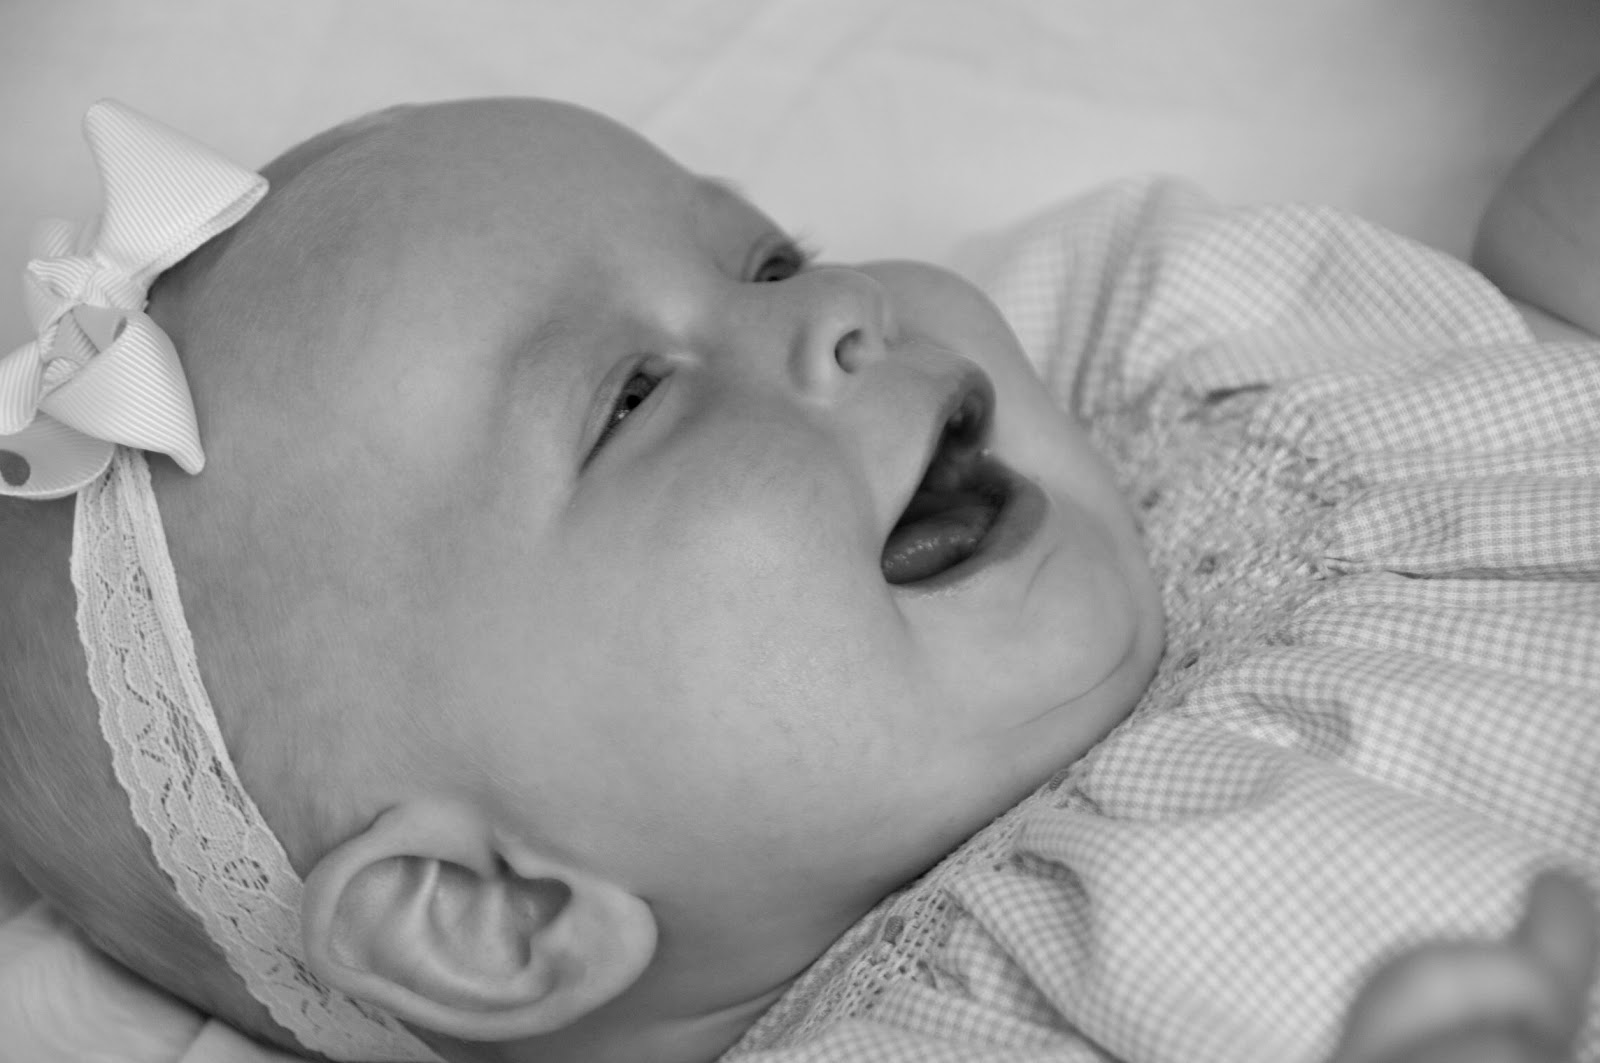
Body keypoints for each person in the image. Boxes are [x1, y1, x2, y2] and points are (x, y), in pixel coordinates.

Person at [0, 77, 1595, 1063]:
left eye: (769, 256)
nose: (833, 311)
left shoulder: (1186, 397)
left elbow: (1524, 337)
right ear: (494, 913)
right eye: (633, 400)